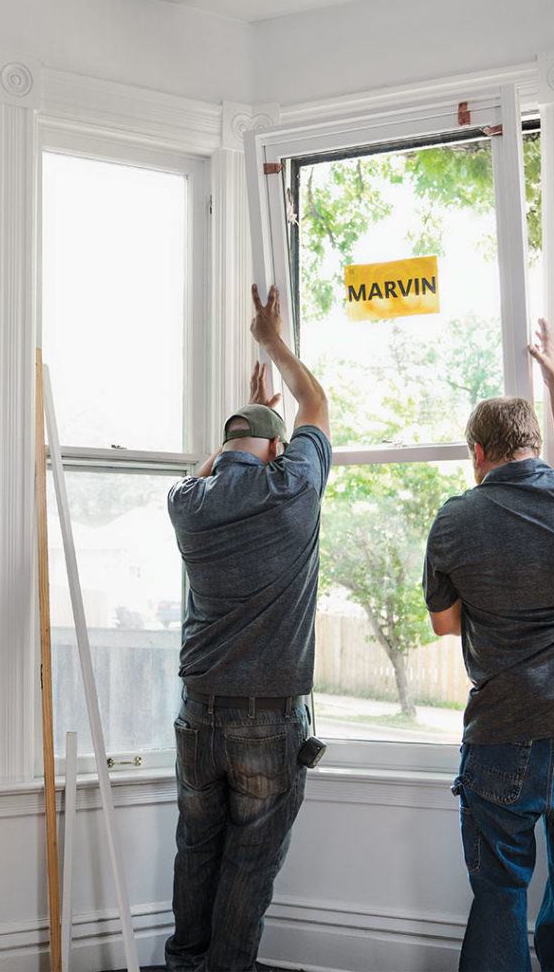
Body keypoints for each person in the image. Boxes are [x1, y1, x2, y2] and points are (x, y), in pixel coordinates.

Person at [422, 318, 554, 972]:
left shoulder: (454, 519)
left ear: (477, 453)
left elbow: (445, 625)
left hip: (503, 730)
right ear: (536, 449)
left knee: (501, 892)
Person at [164, 284, 331, 972]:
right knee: (249, 864)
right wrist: (271, 343)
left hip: (199, 715)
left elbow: (209, 470)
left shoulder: (185, 504)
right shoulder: (290, 488)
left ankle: (184, 963)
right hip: (266, 719)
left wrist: (244, 432)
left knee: (197, 849)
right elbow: (316, 405)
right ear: (277, 450)